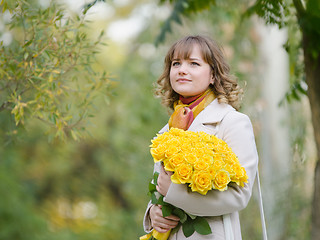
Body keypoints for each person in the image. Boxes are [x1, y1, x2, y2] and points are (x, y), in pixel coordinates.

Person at [142, 35, 259, 240]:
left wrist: (176, 195)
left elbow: (239, 196)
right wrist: (153, 212)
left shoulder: (232, 122)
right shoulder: (168, 129)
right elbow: (161, 185)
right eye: (176, 63)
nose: (182, 70)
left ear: (213, 75)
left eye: (194, 63)